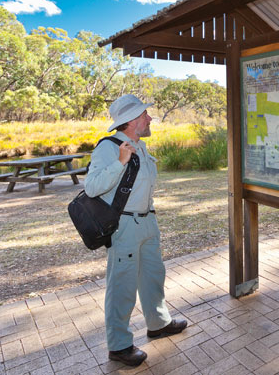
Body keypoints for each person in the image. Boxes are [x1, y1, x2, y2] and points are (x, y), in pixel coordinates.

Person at [84, 94, 187, 366]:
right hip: (125, 226)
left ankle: (158, 323)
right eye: (145, 115)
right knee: (123, 285)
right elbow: (92, 187)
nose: (150, 119)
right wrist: (119, 162)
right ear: (131, 121)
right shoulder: (108, 148)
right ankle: (118, 346)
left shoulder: (140, 146)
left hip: (147, 222)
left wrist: (151, 217)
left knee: (153, 275)